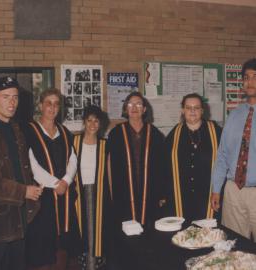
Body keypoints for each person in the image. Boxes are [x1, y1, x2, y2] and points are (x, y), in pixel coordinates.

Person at [0, 76, 41, 270]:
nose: (12, 102)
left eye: (15, 97)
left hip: (18, 220)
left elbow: (22, 168)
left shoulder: (16, 128)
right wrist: (23, 191)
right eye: (6, 97)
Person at [107, 92, 166, 270]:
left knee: (149, 239)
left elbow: (163, 166)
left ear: (145, 109)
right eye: (130, 104)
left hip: (150, 194)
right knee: (125, 238)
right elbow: (109, 166)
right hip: (123, 195)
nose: (134, 108)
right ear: (125, 108)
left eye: (138, 104)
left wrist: (163, 194)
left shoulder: (155, 134)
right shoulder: (116, 133)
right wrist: (110, 194)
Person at [24, 88, 78, 269]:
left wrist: (66, 181)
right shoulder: (29, 131)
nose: (52, 108)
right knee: (44, 246)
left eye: (56, 104)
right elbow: (32, 164)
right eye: (48, 103)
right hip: (43, 197)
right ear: (41, 106)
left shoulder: (64, 131)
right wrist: (55, 183)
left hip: (65, 194)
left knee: (64, 244)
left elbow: (73, 159)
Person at [211, 58, 256, 241]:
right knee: (233, 247)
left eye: (255, 76)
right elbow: (223, 155)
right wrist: (216, 188)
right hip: (233, 192)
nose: (250, 81)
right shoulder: (234, 115)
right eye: (246, 77)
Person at [165, 93, 222, 223]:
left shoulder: (216, 131)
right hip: (181, 197)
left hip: (208, 195)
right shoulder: (175, 133)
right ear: (182, 110)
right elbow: (164, 166)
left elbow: (225, 162)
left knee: (209, 235)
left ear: (202, 111)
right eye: (188, 107)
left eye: (196, 107)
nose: (192, 111)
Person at [73, 105, 110, 270]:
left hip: (99, 193)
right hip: (78, 194)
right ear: (84, 122)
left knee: (99, 233)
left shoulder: (105, 145)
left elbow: (110, 172)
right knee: (83, 232)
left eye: (96, 121)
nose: (93, 124)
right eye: (89, 120)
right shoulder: (74, 142)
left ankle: (96, 265)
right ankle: (84, 264)